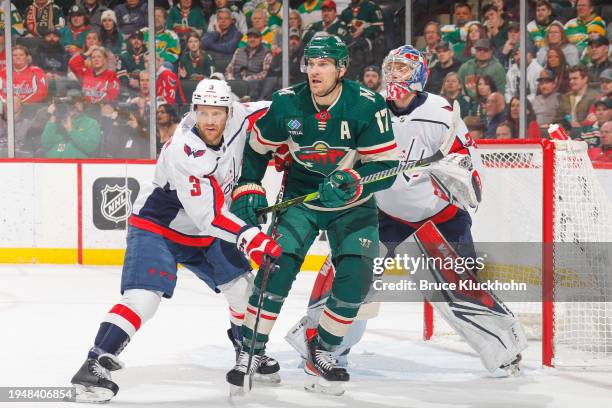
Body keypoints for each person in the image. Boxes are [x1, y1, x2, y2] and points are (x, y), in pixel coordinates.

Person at [69, 79, 282, 403]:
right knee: (143, 299)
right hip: (159, 229)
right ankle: (95, 363)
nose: (210, 121)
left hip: (205, 230)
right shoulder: (185, 150)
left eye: (217, 113)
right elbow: (207, 217)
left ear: (229, 110)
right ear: (194, 111)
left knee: (244, 292)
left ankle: (248, 351)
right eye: (203, 113)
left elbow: (282, 107)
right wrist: (250, 237)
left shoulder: (241, 117)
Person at [225, 34, 398, 391]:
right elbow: (257, 149)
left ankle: (324, 352)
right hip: (302, 196)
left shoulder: (367, 105)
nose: (315, 71)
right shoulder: (287, 103)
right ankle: (250, 351)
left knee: (356, 278)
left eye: (324, 64)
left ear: (341, 69)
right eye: (311, 64)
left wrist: (355, 180)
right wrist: (249, 185)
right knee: (277, 267)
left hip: (351, 201)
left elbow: (386, 168)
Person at [225, 28, 273, 101]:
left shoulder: (266, 53)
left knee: (253, 83)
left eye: (255, 37)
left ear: (261, 39)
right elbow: (229, 68)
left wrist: (249, 79)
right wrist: (231, 79)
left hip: (253, 84)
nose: (252, 39)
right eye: (250, 37)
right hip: (236, 81)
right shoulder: (239, 51)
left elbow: (265, 73)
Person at [555, 64, 600, 137]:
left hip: (587, 133)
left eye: (575, 78)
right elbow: (558, 118)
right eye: (570, 79)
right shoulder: (566, 97)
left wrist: (579, 125)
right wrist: (558, 125)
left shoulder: (595, 97)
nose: (571, 81)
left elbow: (593, 120)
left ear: (585, 79)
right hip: (567, 133)